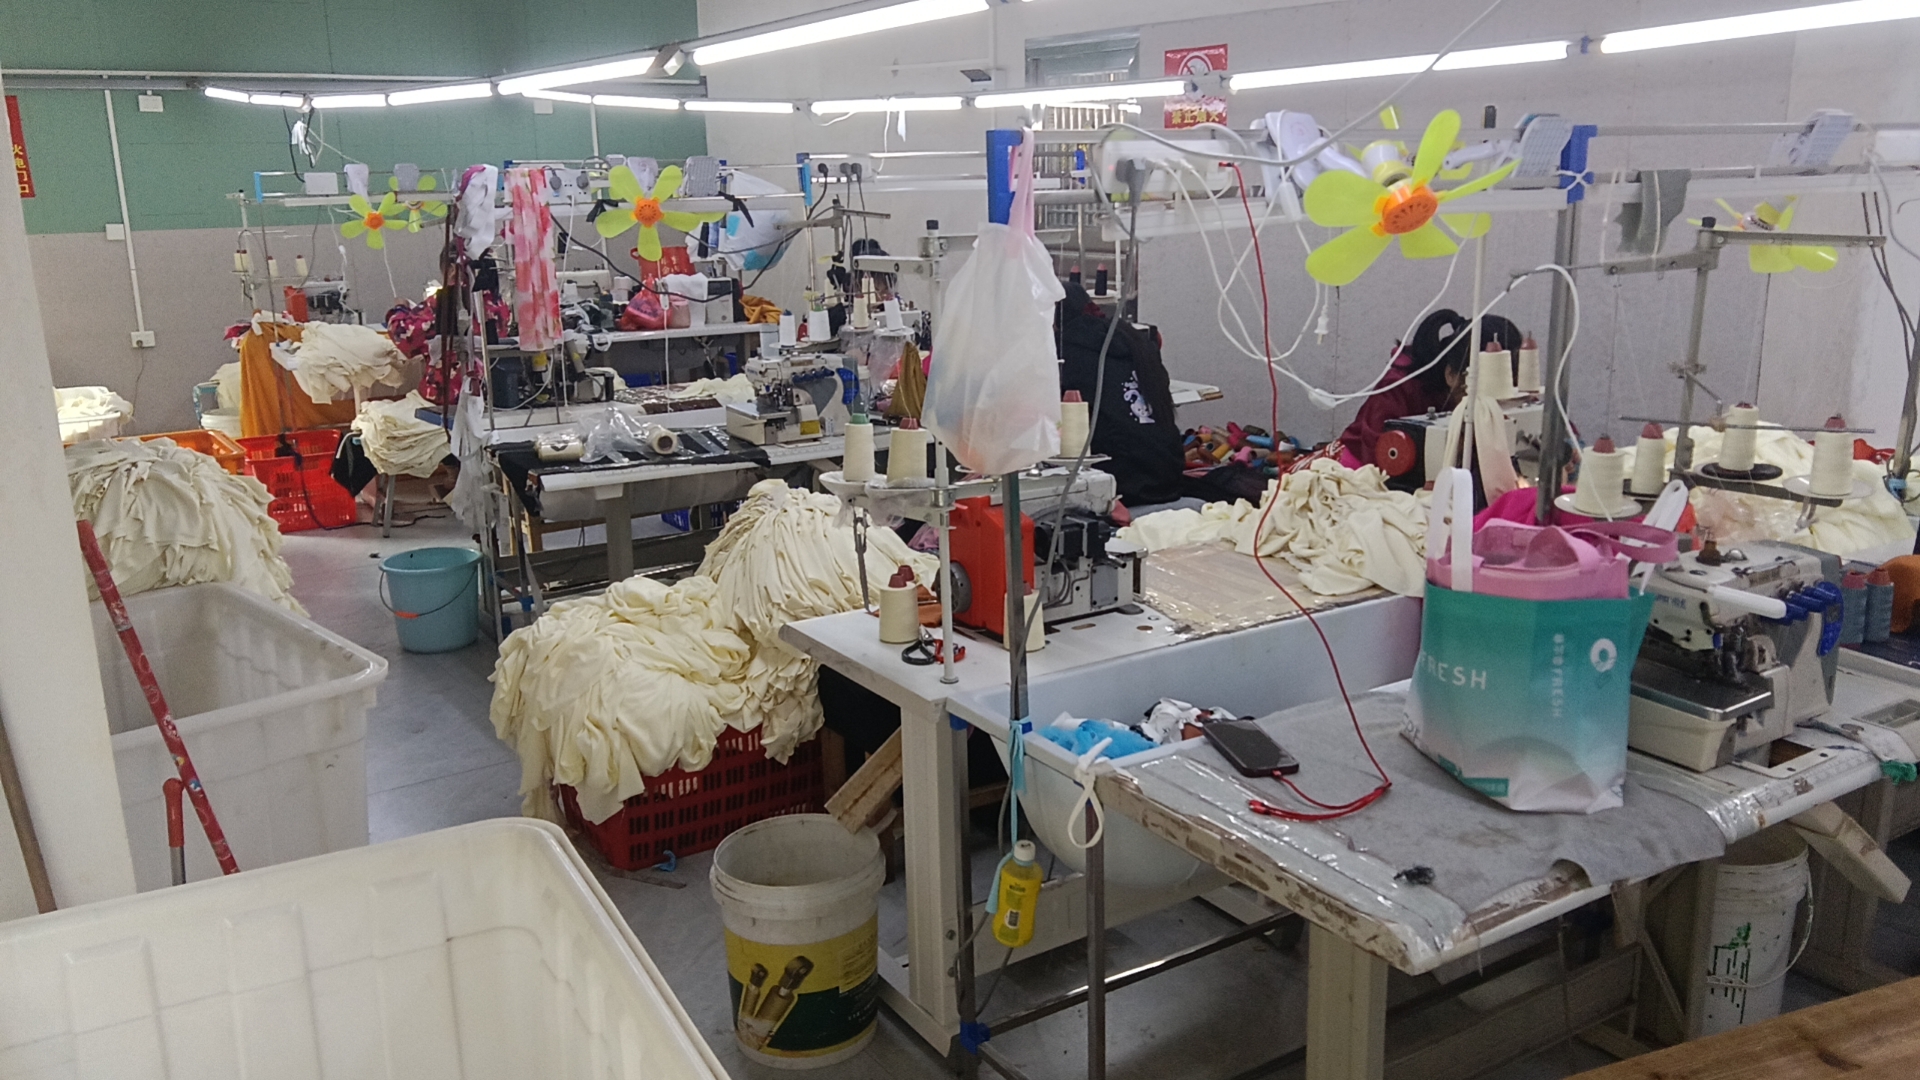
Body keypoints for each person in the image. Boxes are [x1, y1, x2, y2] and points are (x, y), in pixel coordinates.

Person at [1337, 310, 1522, 468]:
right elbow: (1378, 455)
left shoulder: (1459, 392)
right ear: (1451, 375)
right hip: (1353, 471)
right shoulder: (1396, 388)